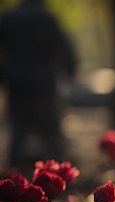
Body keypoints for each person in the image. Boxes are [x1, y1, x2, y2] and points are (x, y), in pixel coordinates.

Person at [0, 0, 76, 172]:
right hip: (43, 81)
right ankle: (57, 170)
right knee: (49, 127)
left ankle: (14, 172)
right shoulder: (46, 17)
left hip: (17, 81)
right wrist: (70, 69)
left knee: (18, 128)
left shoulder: (10, 17)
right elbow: (62, 45)